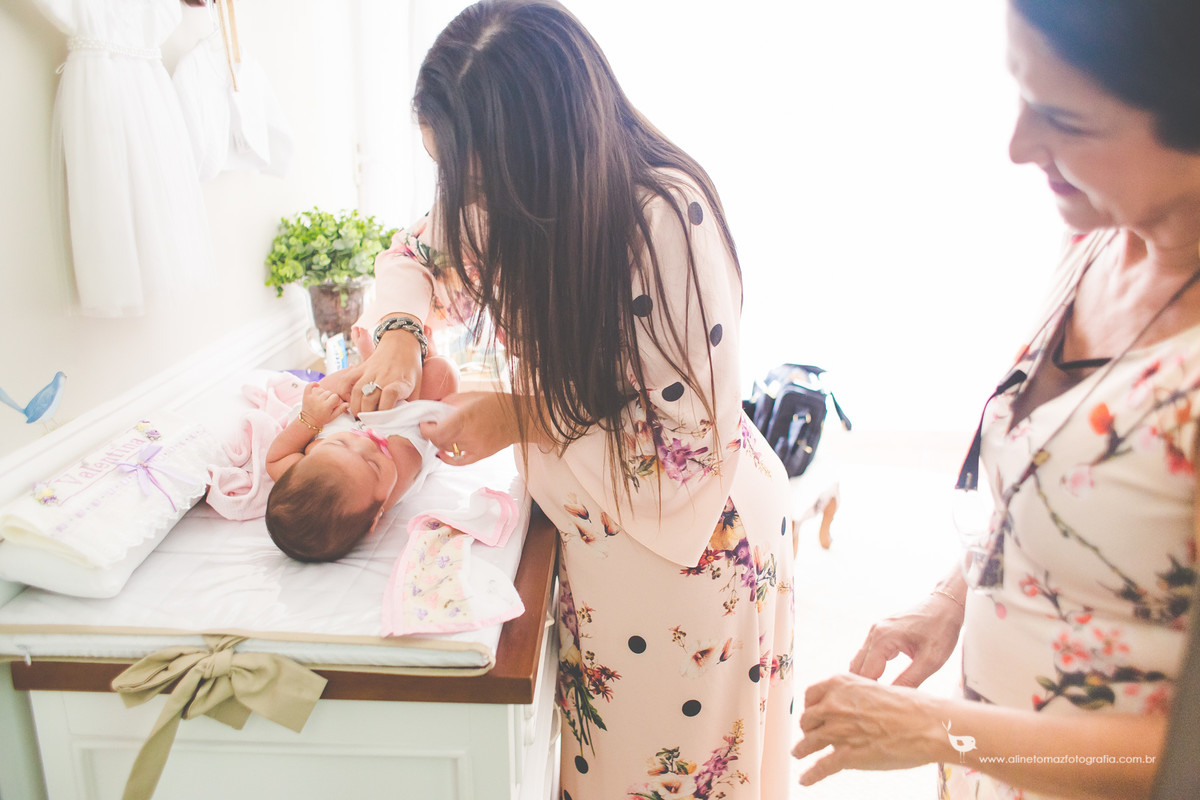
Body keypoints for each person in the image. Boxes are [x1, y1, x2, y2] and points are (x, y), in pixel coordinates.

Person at [337, 1, 795, 796]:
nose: (459, 195)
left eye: (471, 173)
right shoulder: (494, 202)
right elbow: (413, 250)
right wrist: (402, 332)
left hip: (689, 548)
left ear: (536, 149)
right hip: (592, 529)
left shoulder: (662, 219)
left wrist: (516, 414)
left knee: (669, 775)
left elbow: (682, 431)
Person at [792, 2, 1200, 799]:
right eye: (1019, 92)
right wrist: (956, 596)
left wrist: (937, 728)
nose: (1017, 146)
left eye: (1065, 119)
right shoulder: (1095, 239)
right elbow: (1054, 477)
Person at [264, 355, 459, 562]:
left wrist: (310, 421)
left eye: (339, 444)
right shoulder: (401, 468)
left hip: (341, 415)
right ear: (375, 517)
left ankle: (373, 361)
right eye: (373, 464)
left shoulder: (305, 477)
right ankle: (397, 361)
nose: (364, 442)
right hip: (401, 420)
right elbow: (412, 418)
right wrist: (377, 398)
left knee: (323, 389)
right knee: (441, 372)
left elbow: (275, 460)